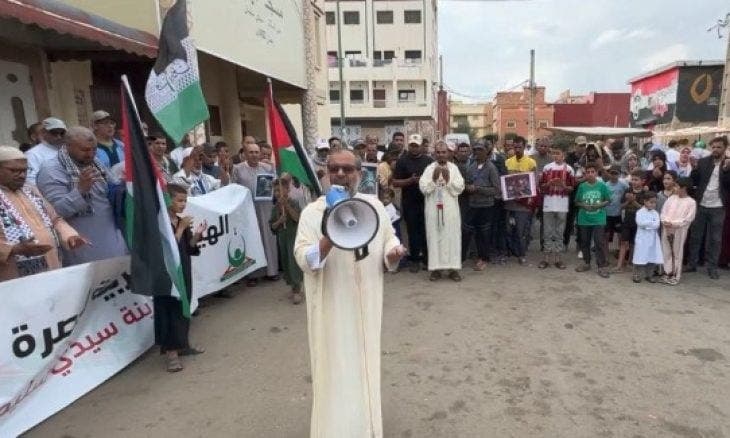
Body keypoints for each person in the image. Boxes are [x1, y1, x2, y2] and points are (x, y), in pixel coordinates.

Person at [293, 149, 406, 438]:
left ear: (360, 173)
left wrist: (393, 253)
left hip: (368, 305)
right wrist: (329, 238)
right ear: (327, 173)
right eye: (334, 169)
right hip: (333, 308)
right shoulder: (312, 212)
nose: (341, 174)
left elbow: (387, 238)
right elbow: (303, 258)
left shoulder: (373, 206)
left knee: (366, 366)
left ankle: (367, 429)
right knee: (336, 370)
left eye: (347, 169)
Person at [36, 126, 128, 266]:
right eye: (85, 150)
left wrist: (122, 186)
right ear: (67, 146)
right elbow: (55, 213)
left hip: (111, 236)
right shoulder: (50, 171)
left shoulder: (96, 163)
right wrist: (80, 191)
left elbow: (109, 192)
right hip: (82, 244)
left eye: (94, 149)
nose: (90, 154)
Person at [0, 146, 86, 281]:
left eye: (24, 170)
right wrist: (15, 250)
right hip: (11, 275)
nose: (22, 175)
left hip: (50, 264)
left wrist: (70, 236)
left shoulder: (30, 190)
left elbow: (54, 219)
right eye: (14, 171)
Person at [157, 184, 206, 372]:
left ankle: (183, 345)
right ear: (168, 200)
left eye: (185, 200)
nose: (183, 204)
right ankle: (171, 354)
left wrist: (197, 235)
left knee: (183, 309)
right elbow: (169, 250)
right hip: (169, 276)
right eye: (179, 200)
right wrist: (181, 227)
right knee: (171, 311)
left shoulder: (180, 221)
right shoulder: (161, 223)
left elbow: (188, 247)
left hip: (184, 271)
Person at [232, 142, 279, 284]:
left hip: (265, 208)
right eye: (251, 152)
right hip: (247, 210)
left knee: (268, 239)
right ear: (245, 154)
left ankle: (272, 271)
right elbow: (233, 188)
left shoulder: (268, 168)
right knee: (251, 240)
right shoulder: (238, 169)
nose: (254, 155)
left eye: (256, 152)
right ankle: (253, 275)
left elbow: (275, 185)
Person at [420, 141, 464, 281]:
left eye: (443, 152)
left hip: (450, 210)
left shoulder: (454, 168)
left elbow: (460, 187)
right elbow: (423, 188)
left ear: (448, 153)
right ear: (434, 153)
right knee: (434, 237)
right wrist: (433, 181)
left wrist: (448, 180)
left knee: (453, 237)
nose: (441, 155)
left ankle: (453, 269)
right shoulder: (429, 169)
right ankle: (436, 269)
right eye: (438, 152)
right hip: (433, 209)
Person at [687, 136, 730, 279]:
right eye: (714, 147)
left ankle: (712, 267)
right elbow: (694, 179)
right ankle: (692, 264)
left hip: (718, 206)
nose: (716, 149)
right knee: (695, 235)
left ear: (725, 148)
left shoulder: (728, 164)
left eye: (719, 147)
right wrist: (694, 168)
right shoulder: (704, 161)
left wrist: (726, 170)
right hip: (701, 204)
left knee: (715, 239)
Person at [392, 133, 433, 272]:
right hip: (409, 203)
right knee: (413, 232)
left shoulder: (429, 161)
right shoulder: (402, 161)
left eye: (417, 145)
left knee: (426, 231)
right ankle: (415, 260)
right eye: (412, 145)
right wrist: (410, 180)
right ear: (409, 146)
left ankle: (427, 260)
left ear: (421, 146)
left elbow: (434, 180)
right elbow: (395, 182)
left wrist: (423, 180)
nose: (414, 148)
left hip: (426, 201)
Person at [462, 142, 501, 271]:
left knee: (483, 233)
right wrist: (467, 187)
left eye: (480, 150)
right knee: (467, 231)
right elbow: (466, 184)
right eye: (475, 149)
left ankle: (483, 259)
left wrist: (478, 189)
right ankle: (462, 258)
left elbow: (496, 189)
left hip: (486, 206)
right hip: (472, 205)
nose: (477, 152)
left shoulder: (491, 168)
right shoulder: (471, 167)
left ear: (486, 152)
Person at [538, 147, 576, 269]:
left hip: (562, 204)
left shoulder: (569, 169)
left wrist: (563, 185)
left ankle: (558, 258)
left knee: (560, 232)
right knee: (547, 232)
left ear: (563, 155)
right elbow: (541, 187)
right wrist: (549, 184)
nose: (556, 156)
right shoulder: (547, 168)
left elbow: (572, 188)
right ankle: (545, 258)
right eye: (554, 154)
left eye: (558, 154)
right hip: (548, 204)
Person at [270, 177, 304, 304]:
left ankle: (297, 289)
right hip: (282, 238)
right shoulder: (275, 207)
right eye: (275, 191)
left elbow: (298, 218)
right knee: (286, 263)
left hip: (293, 237)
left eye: (280, 190)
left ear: (287, 190)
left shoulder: (293, 203)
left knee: (293, 263)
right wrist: (279, 221)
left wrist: (287, 207)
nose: (278, 193)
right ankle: (292, 286)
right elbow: (272, 225)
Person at [574, 162, 611, 278]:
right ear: (585, 173)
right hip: (584, 219)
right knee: (584, 241)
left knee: (599, 242)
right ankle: (586, 262)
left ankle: (601, 266)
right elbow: (576, 201)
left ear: (596, 173)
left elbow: (608, 200)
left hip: (598, 219)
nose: (590, 174)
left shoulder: (602, 186)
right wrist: (583, 206)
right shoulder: (582, 186)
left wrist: (600, 205)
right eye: (588, 172)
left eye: (592, 172)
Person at [504, 136, 537, 265]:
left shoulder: (531, 163)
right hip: (509, 203)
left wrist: (528, 198)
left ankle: (521, 254)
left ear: (524, 147)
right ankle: (510, 252)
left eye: (519, 147)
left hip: (523, 204)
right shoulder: (507, 162)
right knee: (508, 229)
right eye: (515, 147)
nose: (517, 149)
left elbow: (534, 183)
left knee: (521, 230)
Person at [660, 177, 697, 285]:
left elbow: (688, 218)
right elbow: (663, 211)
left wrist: (674, 223)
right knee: (666, 250)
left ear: (684, 188)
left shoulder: (691, 202)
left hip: (679, 230)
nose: (674, 188)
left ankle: (676, 275)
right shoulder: (671, 198)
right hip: (667, 228)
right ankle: (667, 272)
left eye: (676, 186)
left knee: (677, 252)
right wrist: (665, 221)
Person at [615, 170, 646, 272]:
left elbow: (645, 209)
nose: (634, 181)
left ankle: (630, 262)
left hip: (638, 223)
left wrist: (633, 201)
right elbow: (621, 206)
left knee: (634, 243)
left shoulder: (645, 193)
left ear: (642, 181)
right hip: (627, 221)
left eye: (636, 180)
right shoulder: (628, 190)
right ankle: (619, 265)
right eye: (632, 179)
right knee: (623, 242)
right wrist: (628, 201)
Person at [25, 117, 67, 186]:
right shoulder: (33, 154)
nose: (59, 137)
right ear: (44, 133)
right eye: (54, 133)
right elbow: (30, 180)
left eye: (62, 133)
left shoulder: (68, 149)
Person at [632, 191, 663, 283]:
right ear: (645, 201)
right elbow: (640, 223)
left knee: (651, 257)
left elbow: (657, 225)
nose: (653, 204)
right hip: (642, 239)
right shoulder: (640, 212)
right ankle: (637, 275)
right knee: (640, 256)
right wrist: (650, 224)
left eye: (654, 202)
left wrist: (647, 225)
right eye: (651, 202)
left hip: (653, 239)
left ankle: (649, 275)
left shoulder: (656, 213)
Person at [605, 165, 627, 253]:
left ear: (619, 174)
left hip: (618, 214)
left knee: (620, 235)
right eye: (612, 173)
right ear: (609, 174)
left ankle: (619, 251)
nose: (613, 175)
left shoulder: (623, 184)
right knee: (605, 235)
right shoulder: (605, 185)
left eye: (616, 174)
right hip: (607, 213)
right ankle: (605, 252)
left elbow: (629, 191)